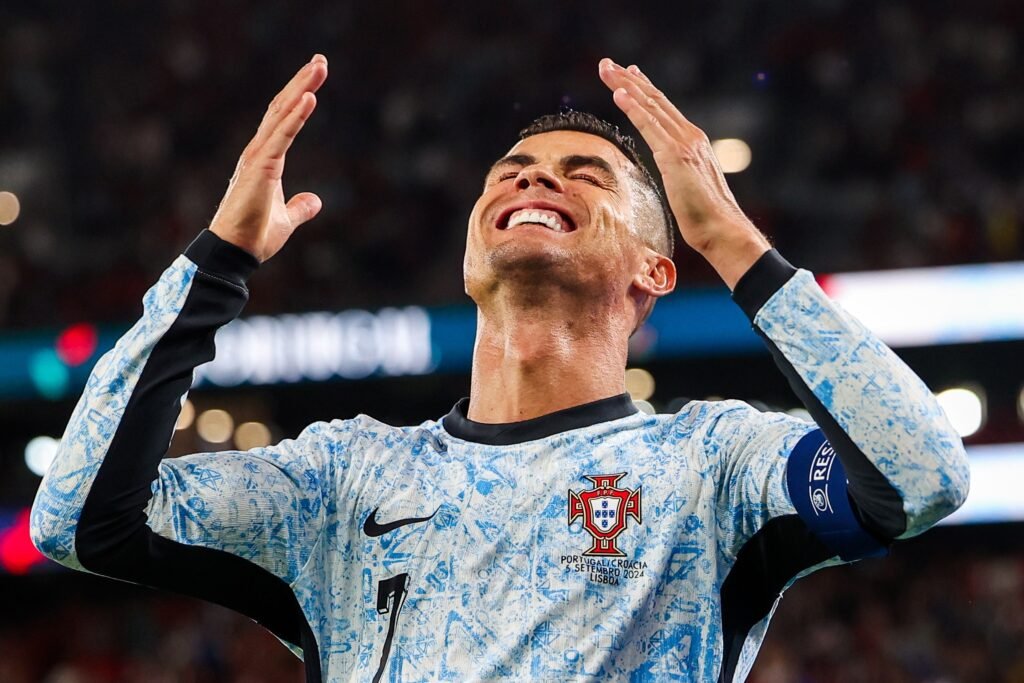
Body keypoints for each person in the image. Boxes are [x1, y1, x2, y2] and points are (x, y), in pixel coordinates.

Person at [30, 54, 969, 682]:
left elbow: (922, 473)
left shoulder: (711, 465)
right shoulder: (338, 480)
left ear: (655, 271)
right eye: (511, 170)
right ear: (471, 255)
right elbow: (78, 519)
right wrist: (216, 263)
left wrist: (731, 240)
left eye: (585, 174)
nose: (533, 177)